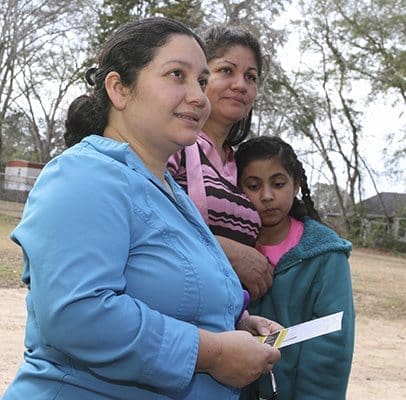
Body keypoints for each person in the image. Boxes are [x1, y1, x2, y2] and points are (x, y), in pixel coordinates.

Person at [3, 18, 281, 400]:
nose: (199, 96)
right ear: (119, 88)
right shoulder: (83, 175)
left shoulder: (171, 193)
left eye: (201, 81)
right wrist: (213, 353)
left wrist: (236, 327)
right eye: (176, 75)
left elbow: (172, 292)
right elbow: (77, 315)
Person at [235, 136, 355, 400]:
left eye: (278, 184)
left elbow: (331, 347)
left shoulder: (325, 255)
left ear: (296, 184)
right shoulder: (226, 252)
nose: (266, 196)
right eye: (253, 186)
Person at [168, 25, 273, 301]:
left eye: (251, 77)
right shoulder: (174, 144)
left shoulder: (239, 165)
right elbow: (143, 216)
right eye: (226, 71)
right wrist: (229, 251)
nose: (240, 85)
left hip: (229, 319)